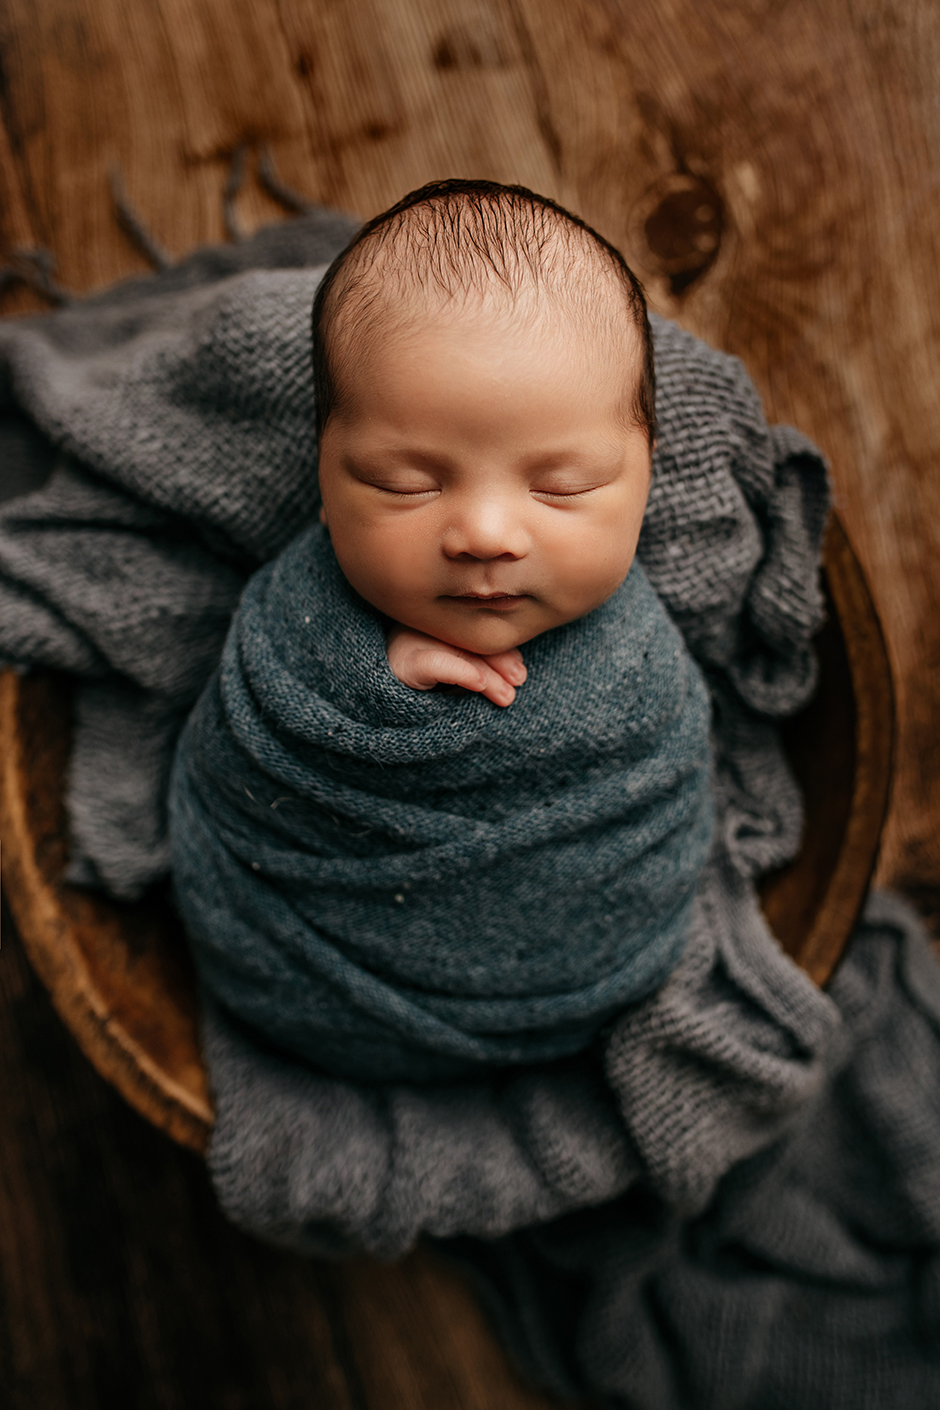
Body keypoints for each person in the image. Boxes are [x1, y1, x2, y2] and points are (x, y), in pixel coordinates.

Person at [168, 180, 715, 1084]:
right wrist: (360, 683)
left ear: (648, 470)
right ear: (325, 467)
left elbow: (672, 776)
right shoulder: (298, 604)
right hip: (309, 971)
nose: (486, 535)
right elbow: (239, 750)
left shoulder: (645, 645)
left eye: (564, 485)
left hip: (590, 968)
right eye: (407, 483)